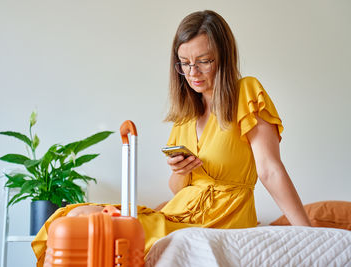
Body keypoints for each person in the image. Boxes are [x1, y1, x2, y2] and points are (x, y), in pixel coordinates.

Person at [31, 10, 311, 266]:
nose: (193, 73)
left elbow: (270, 170)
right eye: (185, 63)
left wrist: (309, 233)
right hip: (177, 214)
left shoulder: (245, 91)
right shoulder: (186, 115)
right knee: (74, 217)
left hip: (222, 219)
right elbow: (178, 188)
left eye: (203, 61)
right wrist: (180, 170)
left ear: (224, 57)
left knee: (96, 227)